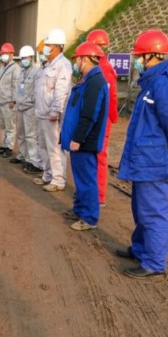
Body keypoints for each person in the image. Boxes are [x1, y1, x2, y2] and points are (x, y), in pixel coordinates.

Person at [117, 29, 168, 278]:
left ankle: (153, 262)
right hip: (145, 159)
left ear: (153, 55)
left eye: (140, 55)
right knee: (141, 208)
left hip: (154, 161)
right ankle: (141, 249)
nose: (136, 60)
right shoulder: (153, 81)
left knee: (152, 212)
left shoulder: (163, 84)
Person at [60, 41, 109, 230]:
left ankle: (89, 218)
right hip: (79, 141)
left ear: (86, 59)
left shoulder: (96, 82)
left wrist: (78, 138)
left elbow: (89, 114)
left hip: (85, 142)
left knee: (87, 181)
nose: (76, 62)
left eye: (78, 59)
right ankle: (79, 210)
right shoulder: (87, 80)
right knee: (80, 180)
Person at [34, 28, 72, 191]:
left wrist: (55, 111)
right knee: (43, 146)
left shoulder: (63, 65)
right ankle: (48, 175)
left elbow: (61, 90)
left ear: (57, 46)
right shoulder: (47, 65)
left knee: (55, 148)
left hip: (52, 115)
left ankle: (58, 180)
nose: (46, 48)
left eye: (48, 45)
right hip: (41, 113)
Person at [86, 29, 119, 205]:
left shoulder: (105, 69)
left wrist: (112, 118)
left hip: (101, 120)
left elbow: (112, 97)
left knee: (99, 157)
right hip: (94, 119)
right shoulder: (95, 68)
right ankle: (91, 193)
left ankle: (99, 196)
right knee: (90, 156)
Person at [14, 45, 43, 174]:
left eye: (26, 58)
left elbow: (37, 91)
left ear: (31, 58)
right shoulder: (21, 71)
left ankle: (34, 161)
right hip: (20, 106)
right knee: (21, 134)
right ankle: (23, 156)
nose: (24, 60)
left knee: (31, 136)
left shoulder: (36, 72)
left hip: (30, 107)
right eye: (22, 58)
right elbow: (18, 88)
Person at [0, 43, 19, 158]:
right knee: (2, 126)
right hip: (0, 101)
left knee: (10, 126)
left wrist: (13, 100)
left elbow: (16, 85)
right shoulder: (2, 67)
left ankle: (9, 147)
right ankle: (3, 145)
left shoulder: (15, 68)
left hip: (9, 102)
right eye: (2, 54)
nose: (4, 56)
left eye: (6, 54)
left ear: (11, 54)